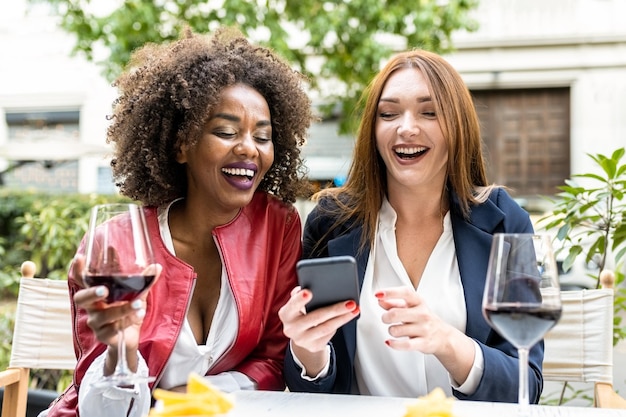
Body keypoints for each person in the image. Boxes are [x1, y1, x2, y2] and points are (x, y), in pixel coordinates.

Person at [43, 27, 313, 417]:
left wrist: (199, 395)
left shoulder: (278, 226)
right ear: (181, 144)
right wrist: (122, 352)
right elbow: (97, 410)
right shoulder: (116, 242)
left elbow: (273, 358)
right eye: (226, 131)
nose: (249, 148)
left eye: (263, 136)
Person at [278, 49, 542, 403]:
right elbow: (314, 390)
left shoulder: (505, 222)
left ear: (457, 126)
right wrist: (308, 349)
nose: (406, 128)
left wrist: (447, 341)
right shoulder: (331, 222)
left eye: (429, 112)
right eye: (388, 114)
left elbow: (526, 382)